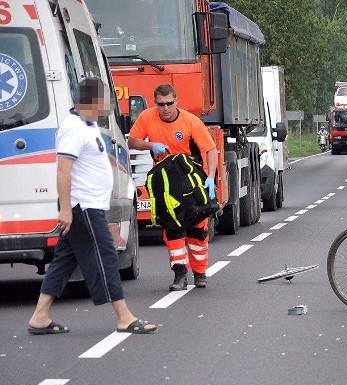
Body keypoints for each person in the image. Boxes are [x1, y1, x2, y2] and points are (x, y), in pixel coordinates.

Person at [27, 78, 157, 335]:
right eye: (103, 103)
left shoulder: (88, 125)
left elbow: (93, 156)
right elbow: (64, 169)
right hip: (82, 206)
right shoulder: (74, 128)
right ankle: (124, 316)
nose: (105, 108)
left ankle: (40, 316)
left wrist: (111, 165)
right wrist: (65, 209)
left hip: (87, 205)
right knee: (105, 256)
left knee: (65, 259)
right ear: (91, 101)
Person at [128, 84, 218, 291]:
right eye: (161, 104)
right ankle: (180, 274)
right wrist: (151, 145)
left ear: (176, 101)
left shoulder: (191, 122)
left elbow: (210, 150)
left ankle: (200, 272)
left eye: (169, 103)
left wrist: (211, 178)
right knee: (172, 227)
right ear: (155, 103)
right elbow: (133, 140)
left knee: (197, 229)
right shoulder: (147, 117)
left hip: (190, 177)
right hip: (165, 180)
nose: (165, 108)